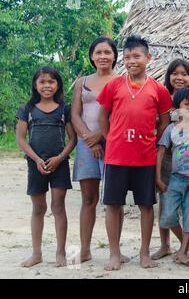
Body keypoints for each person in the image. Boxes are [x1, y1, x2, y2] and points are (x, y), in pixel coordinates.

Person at [97, 35, 172, 270]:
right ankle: (114, 254)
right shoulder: (114, 85)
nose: (132, 61)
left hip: (145, 158)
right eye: (127, 57)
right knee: (113, 205)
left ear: (148, 58)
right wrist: (111, 139)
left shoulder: (158, 89)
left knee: (146, 205)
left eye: (137, 56)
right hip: (117, 156)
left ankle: (144, 253)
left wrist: (152, 140)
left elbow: (164, 121)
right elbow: (102, 116)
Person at [71, 36, 129, 264]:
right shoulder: (82, 82)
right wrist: (89, 139)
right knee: (88, 198)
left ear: (115, 56)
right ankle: (85, 249)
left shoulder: (122, 81)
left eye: (107, 52)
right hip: (86, 146)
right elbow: (75, 114)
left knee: (114, 200)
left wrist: (101, 137)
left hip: (114, 144)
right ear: (92, 56)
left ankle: (117, 250)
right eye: (98, 52)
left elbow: (123, 114)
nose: (103, 56)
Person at [16, 66, 76, 267]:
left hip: (59, 165)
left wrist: (59, 158)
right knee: (38, 208)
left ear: (57, 84)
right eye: (42, 82)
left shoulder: (64, 110)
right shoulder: (28, 110)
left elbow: (72, 139)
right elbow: (20, 138)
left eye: (51, 82)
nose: (47, 86)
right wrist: (36, 160)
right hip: (36, 166)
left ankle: (61, 252)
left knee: (59, 206)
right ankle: (37, 253)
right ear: (35, 85)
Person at [152, 59, 189, 260]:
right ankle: (165, 245)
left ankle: (185, 246)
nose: (179, 77)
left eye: (184, 74)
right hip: (166, 155)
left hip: (187, 158)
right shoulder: (163, 97)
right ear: (169, 76)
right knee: (165, 202)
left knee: (188, 205)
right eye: (175, 73)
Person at [155, 87, 189, 265]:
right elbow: (160, 152)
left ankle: (183, 250)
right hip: (175, 178)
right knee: (167, 216)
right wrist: (157, 178)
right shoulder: (171, 129)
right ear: (176, 107)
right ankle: (184, 247)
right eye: (186, 104)